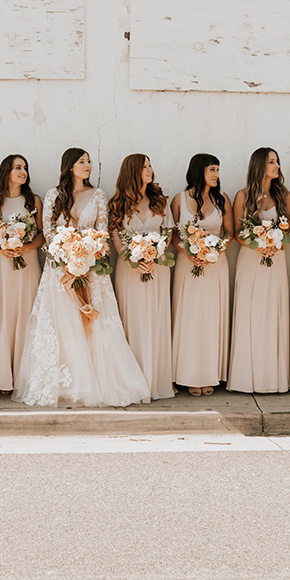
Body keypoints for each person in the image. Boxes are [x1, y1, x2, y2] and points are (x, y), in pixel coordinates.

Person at [13, 148, 150, 407]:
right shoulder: (54, 195)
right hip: (59, 271)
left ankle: (98, 383)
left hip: (92, 270)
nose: (88, 165)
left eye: (89, 162)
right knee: (62, 324)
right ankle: (65, 385)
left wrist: (86, 260)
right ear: (69, 166)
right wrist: (67, 261)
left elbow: (102, 233)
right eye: (82, 161)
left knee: (93, 326)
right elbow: (50, 232)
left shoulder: (98, 195)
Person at [108, 153, 176, 400]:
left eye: (150, 166)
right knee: (133, 321)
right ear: (133, 171)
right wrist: (130, 260)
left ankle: (156, 381)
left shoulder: (161, 201)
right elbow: (115, 235)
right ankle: (133, 382)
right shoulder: (117, 203)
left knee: (156, 319)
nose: (150, 170)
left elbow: (167, 232)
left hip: (158, 269)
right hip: (129, 270)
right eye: (145, 166)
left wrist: (156, 256)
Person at [227, 147, 290, 393]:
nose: (277, 167)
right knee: (250, 311)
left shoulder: (284, 195)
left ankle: (271, 378)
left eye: (277, 162)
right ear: (259, 166)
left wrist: (274, 245)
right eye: (272, 162)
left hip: (275, 260)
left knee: (272, 312)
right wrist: (259, 245)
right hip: (250, 260)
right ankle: (247, 377)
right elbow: (236, 232)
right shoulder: (243, 196)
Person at [0, 155, 44, 394]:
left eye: (25, 167)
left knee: (26, 314)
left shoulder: (33, 200)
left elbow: (42, 234)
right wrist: (2, 247)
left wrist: (24, 248)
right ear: (6, 171)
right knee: (2, 315)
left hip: (27, 264)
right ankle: (1, 376)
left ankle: (24, 375)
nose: (23, 171)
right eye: (18, 167)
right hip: (2, 265)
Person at [170, 153, 234, 396]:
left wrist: (215, 250)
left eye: (218, 170)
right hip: (188, 265)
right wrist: (187, 252)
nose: (217, 175)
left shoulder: (222, 199)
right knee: (189, 318)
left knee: (211, 318)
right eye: (212, 170)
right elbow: (172, 234)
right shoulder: (179, 199)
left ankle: (209, 374)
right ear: (199, 171)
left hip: (216, 266)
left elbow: (229, 232)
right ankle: (187, 375)